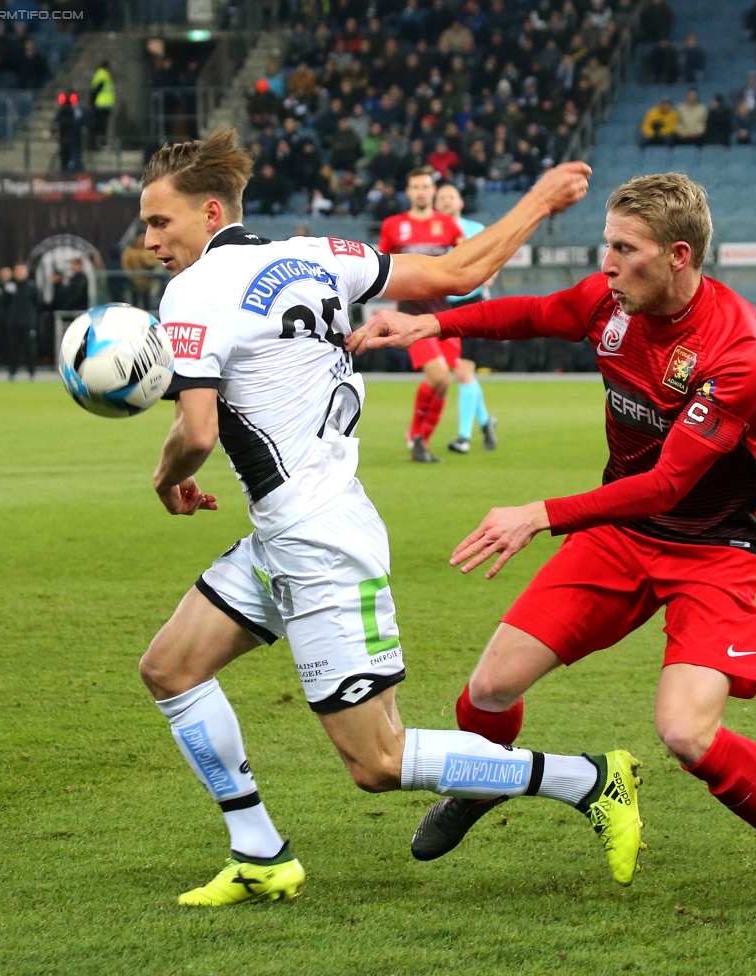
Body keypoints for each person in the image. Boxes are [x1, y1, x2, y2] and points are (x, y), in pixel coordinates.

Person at [135, 127, 628, 909]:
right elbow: (465, 271)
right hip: (288, 530)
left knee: (379, 762)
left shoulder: (192, 292)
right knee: (170, 669)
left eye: (161, 222)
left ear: (209, 211)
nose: (150, 239)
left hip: (318, 540)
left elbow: (195, 431)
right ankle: (261, 852)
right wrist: (538, 199)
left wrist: (167, 481)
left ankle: (587, 779)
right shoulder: (316, 253)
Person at [350, 172, 756, 917]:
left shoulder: (737, 350)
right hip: (619, 535)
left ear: (678, 254)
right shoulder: (612, 302)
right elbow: (540, 313)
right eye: (605, 242)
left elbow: (670, 484)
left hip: (713, 550)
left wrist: (539, 512)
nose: (605, 261)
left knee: (685, 732)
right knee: (487, 690)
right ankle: (489, 777)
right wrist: (435, 325)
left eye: (622, 248)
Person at [376, 165, 464, 463]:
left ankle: (420, 441)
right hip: (412, 317)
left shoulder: (449, 226)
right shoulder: (393, 225)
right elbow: (381, 264)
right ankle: (416, 436)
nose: (422, 192)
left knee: (444, 382)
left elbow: (465, 257)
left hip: (445, 315)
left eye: (426, 186)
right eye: (416, 187)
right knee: (438, 375)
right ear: (408, 191)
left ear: (433, 190)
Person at [433, 181, 497, 454]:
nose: (447, 201)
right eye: (442, 197)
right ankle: (485, 421)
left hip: (472, 305)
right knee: (460, 372)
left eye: (452, 196)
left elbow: (491, 265)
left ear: (460, 202)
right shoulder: (432, 234)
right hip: (441, 305)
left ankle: (463, 437)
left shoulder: (475, 230)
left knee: (463, 371)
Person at [7, 263, 39, 380]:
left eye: (22, 271)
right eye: (18, 271)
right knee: (13, 348)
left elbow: (36, 303)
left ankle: (31, 372)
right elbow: (5, 303)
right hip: (14, 322)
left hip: (28, 322)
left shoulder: (32, 286)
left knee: (29, 348)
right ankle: (12, 372)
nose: (20, 274)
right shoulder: (10, 286)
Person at [90, 61, 115, 150]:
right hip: (102, 104)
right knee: (101, 125)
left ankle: (96, 144)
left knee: (100, 125)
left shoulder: (100, 75)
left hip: (102, 104)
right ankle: (99, 144)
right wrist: (92, 103)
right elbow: (96, 91)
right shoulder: (104, 76)